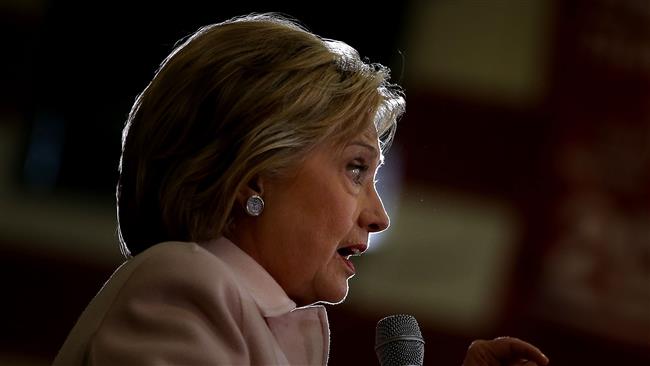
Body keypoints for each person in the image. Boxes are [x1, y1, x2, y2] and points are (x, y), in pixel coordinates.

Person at [53, 13, 549, 365]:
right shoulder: (185, 288)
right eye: (356, 169)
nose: (380, 216)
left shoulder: (252, 318)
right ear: (254, 172)